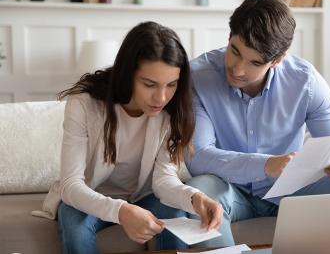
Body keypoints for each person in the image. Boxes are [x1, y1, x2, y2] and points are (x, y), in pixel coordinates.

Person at [186, 0, 330, 247]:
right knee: (198, 191)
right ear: (229, 36)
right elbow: (198, 157)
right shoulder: (198, 77)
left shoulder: (305, 81)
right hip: (228, 189)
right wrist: (266, 165)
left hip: (292, 191)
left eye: (254, 62)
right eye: (235, 51)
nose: (238, 69)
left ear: (277, 59)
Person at [40, 22, 223, 253]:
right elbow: (71, 185)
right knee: (74, 227)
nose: (162, 97)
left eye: (171, 84)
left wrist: (195, 197)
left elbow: (164, 179)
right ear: (128, 74)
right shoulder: (84, 105)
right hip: (87, 196)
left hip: (142, 197)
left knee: (177, 215)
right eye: (149, 84)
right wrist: (121, 211)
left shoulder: (172, 111)